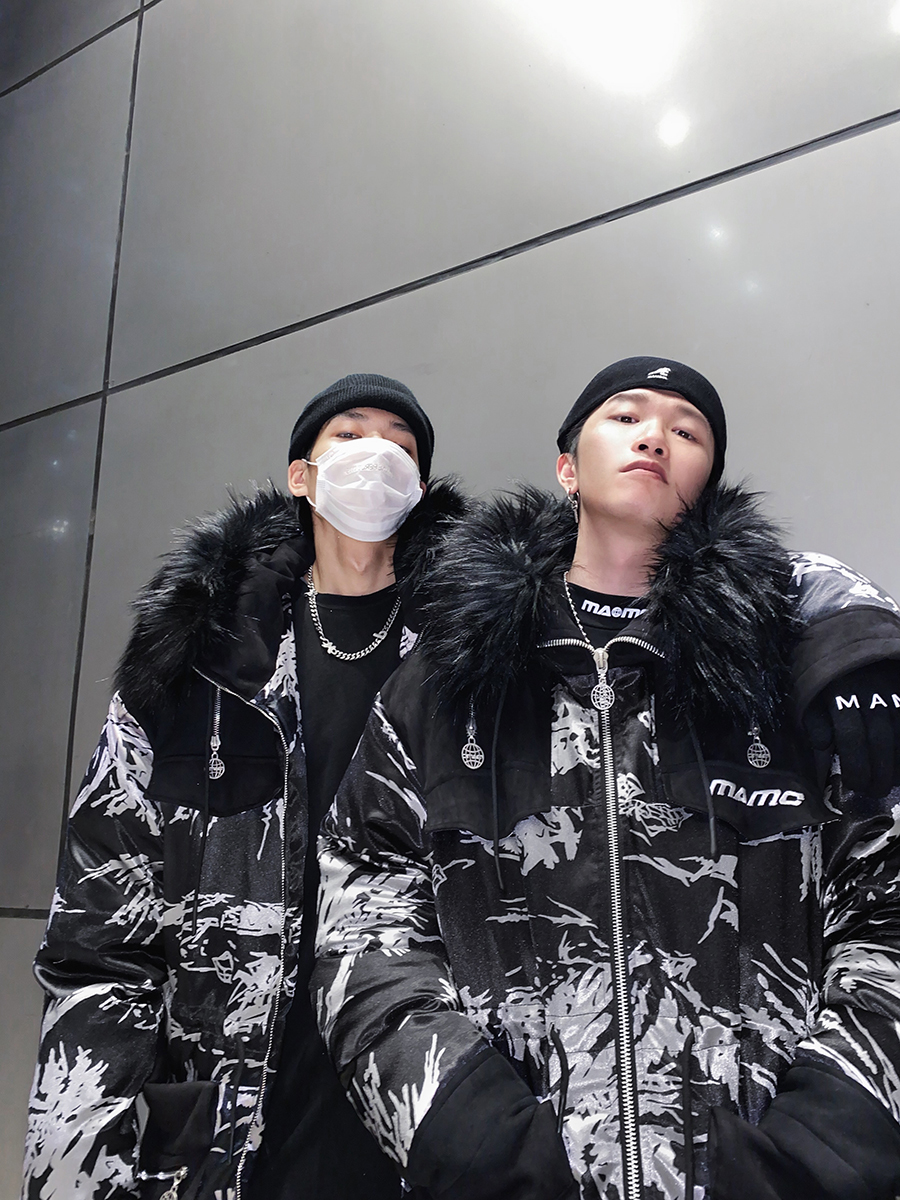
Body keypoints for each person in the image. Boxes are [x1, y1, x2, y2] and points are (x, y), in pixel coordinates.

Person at [312, 357, 900, 1200]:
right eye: (625, 416)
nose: (655, 435)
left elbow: (886, 908)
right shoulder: (446, 681)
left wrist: (826, 1145)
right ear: (566, 467)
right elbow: (364, 922)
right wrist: (464, 1132)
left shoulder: (786, 674)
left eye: (687, 430)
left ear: (706, 486)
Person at [22, 374, 466, 1200]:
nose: (376, 455)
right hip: (233, 1119)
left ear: (419, 488)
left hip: (420, 1100)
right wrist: (77, 1166)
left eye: (401, 446)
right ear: (301, 474)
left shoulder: (468, 660)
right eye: (350, 434)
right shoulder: (199, 656)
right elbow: (100, 933)